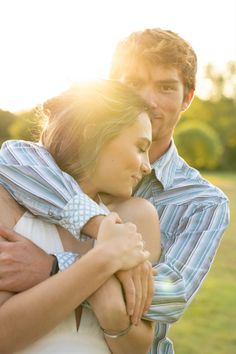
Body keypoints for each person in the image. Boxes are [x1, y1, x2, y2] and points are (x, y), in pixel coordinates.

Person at [0, 28, 229, 353]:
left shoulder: (202, 202)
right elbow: (11, 158)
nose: (149, 100)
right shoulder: (48, 164)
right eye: (133, 82)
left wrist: (53, 266)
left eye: (165, 87)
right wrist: (101, 229)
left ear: (187, 97)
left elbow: (170, 295)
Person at [0, 80, 161, 354]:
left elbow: (136, 348)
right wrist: (103, 262)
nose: (147, 166)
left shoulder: (138, 217)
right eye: (139, 146)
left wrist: (55, 269)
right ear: (93, 136)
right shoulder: (8, 201)